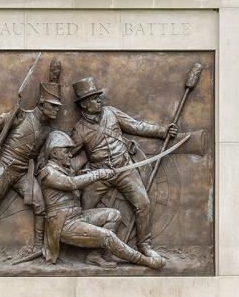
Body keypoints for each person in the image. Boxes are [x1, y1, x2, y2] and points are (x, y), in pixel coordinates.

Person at [68, 76, 177, 260]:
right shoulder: (79, 130)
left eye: (98, 97)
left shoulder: (112, 113)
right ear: (85, 104)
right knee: (81, 211)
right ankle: (92, 251)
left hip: (124, 168)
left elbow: (136, 126)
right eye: (94, 99)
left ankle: (145, 245)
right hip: (99, 175)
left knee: (143, 203)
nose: (98, 101)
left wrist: (162, 131)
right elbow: (68, 154)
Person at [0, 81, 62, 265]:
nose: (57, 110)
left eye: (58, 107)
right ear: (42, 104)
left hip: (23, 172)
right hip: (4, 167)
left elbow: (39, 156)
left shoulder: (48, 130)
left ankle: (37, 248)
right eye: (53, 106)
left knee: (40, 205)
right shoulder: (21, 116)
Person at [37, 131, 165, 270]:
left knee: (114, 215)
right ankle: (145, 260)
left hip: (77, 217)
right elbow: (71, 183)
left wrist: (85, 173)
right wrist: (99, 173)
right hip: (63, 225)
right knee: (107, 236)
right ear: (54, 153)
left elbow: (74, 178)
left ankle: (95, 255)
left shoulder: (64, 170)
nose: (70, 154)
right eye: (66, 151)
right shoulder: (48, 172)